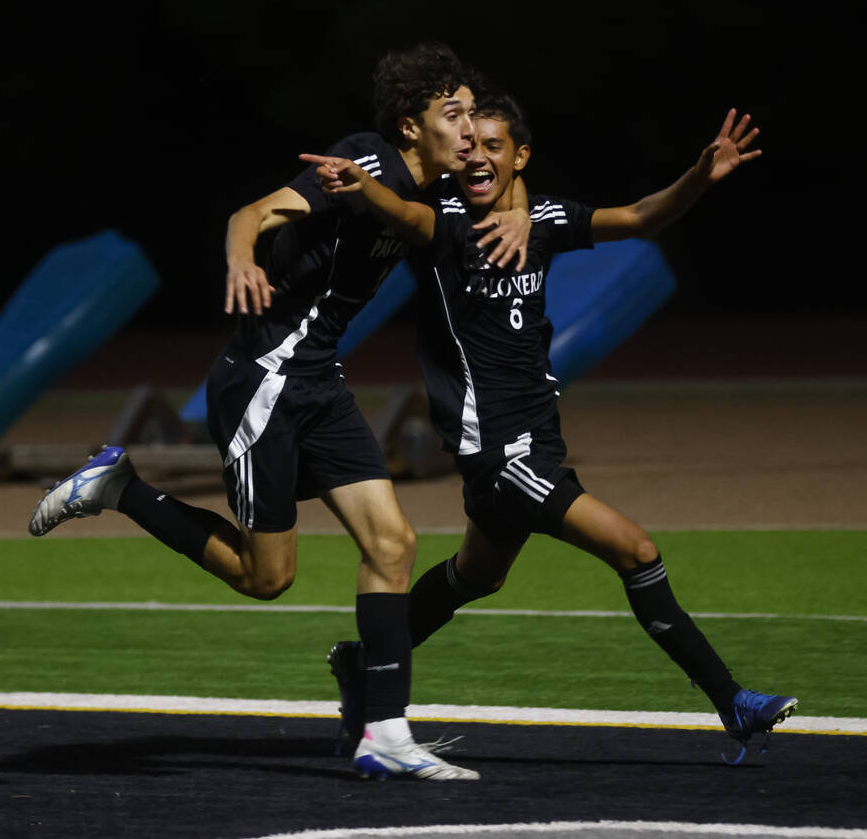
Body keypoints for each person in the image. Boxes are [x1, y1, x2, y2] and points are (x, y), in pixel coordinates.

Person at [27, 44, 532, 781]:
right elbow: (253, 212)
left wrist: (518, 213)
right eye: (450, 114)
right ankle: (121, 487)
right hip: (262, 379)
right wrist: (241, 259)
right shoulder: (364, 161)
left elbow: (510, 182)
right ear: (409, 126)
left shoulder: (440, 193)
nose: (467, 128)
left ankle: (385, 735)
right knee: (267, 579)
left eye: (469, 113)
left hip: (318, 380)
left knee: (392, 543)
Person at [304, 89, 798, 766]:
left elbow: (641, 217)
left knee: (476, 577)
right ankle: (732, 702)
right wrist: (363, 187)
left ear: (522, 155)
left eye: (491, 145)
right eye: (466, 144)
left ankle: (366, 662)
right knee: (638, 551)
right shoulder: (447, 222)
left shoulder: (546, 221)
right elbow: (407, 214)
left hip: (536, 444)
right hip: (498, 455)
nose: (474, 154)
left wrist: (698, 175)